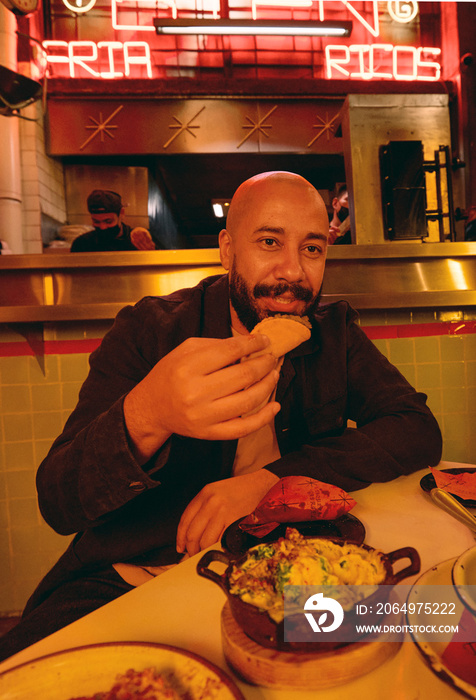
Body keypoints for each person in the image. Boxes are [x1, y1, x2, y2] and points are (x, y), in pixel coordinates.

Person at [0, 171, 442, 660]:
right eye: (270, 242)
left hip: (291, 573)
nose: (293, 273)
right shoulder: (151, 330)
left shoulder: (332, 334)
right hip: (136, 575)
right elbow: (59, 502)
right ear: (228, 249)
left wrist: (269, 482)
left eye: (312, 249)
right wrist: (149, 412)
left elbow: (415, 428)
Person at [70, 190, 156, 252]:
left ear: (121, 214)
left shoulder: (138, 242)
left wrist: (151, 253)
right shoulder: (82, 244)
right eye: (96, 222)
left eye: (108, 221)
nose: (103, 227)